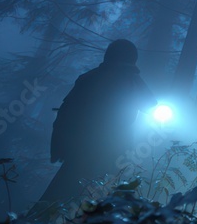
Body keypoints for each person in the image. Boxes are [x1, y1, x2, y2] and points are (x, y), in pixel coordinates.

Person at [37, 39, 156, 205]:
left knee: (59, 200)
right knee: (90, 203)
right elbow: (151, 104)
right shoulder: (130, 80)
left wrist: (59, 148)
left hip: (85, 149)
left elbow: (65, 115)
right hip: (109, 151)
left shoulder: (91, 77)